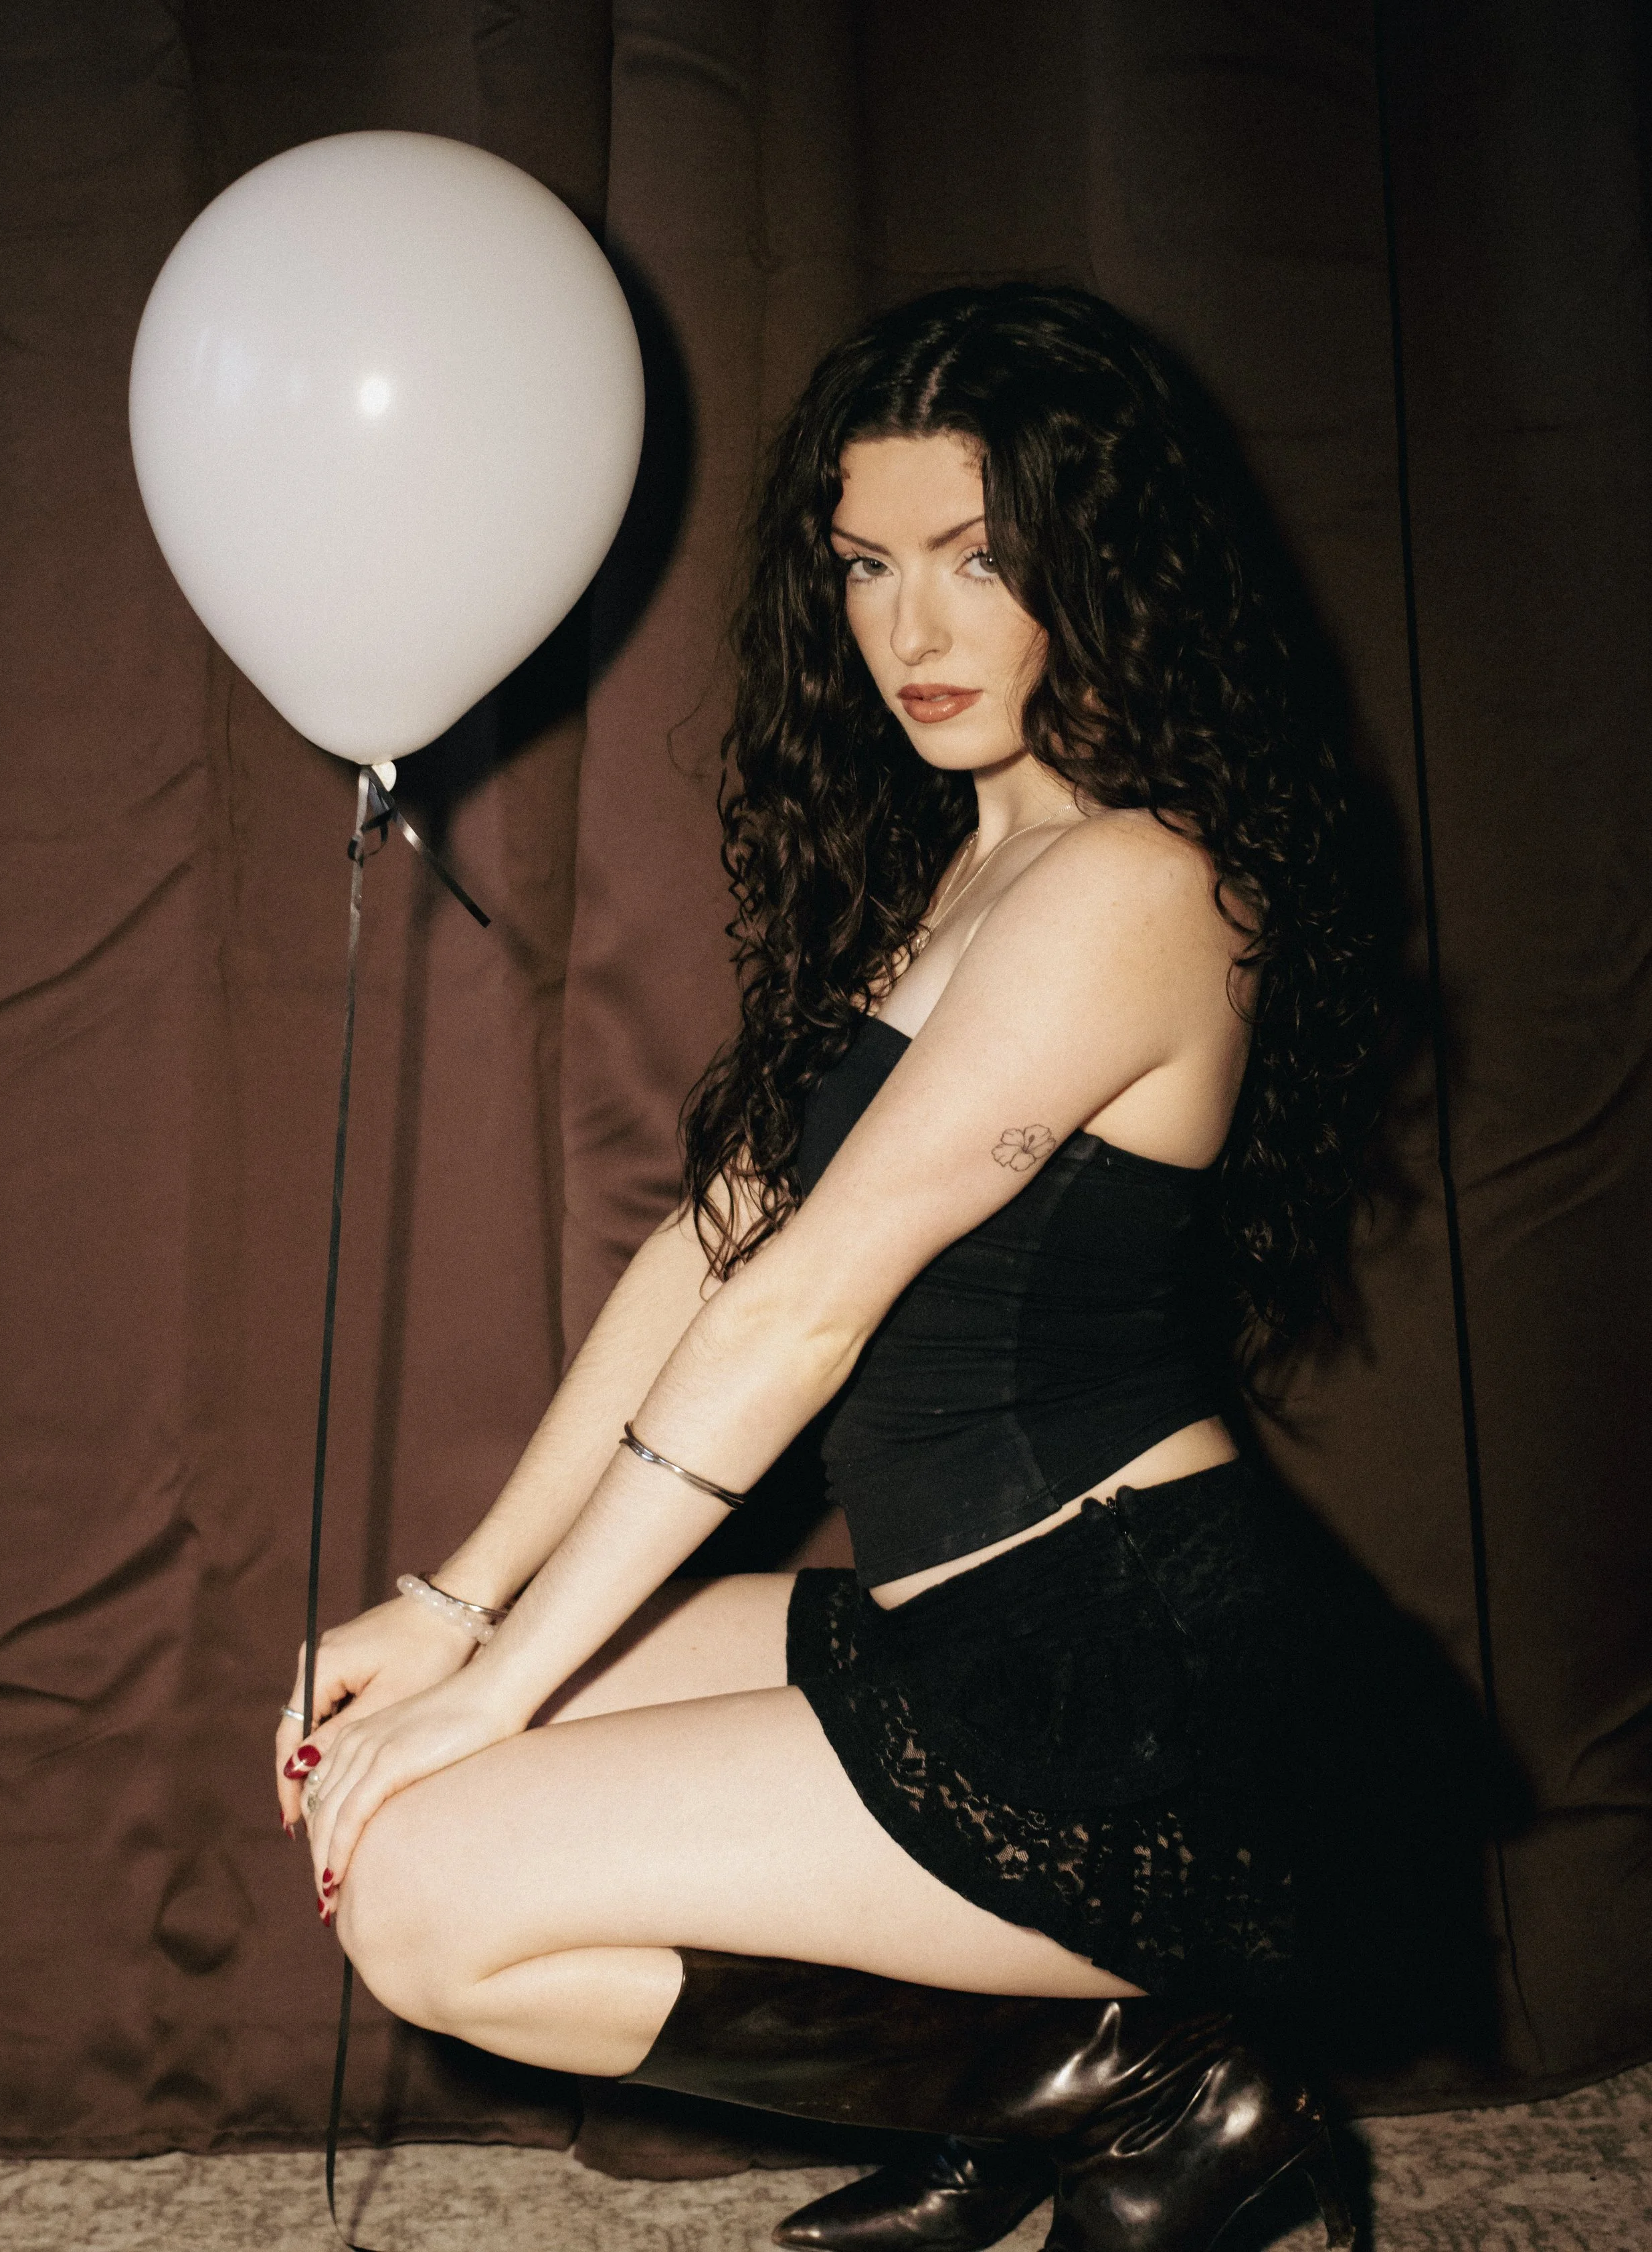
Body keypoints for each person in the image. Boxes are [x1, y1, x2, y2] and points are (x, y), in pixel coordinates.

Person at [276, 285, 1382, 2252]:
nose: (911, 630)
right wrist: (454, 1611)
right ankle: (1068, 2092)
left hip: (1133, 1692)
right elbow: (712, 1245)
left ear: (1101, 562)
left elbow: (804, 1305)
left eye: (977, 557)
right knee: (397, 1783)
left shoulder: (1135, 882)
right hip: (955, 1633)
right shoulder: (973, 859)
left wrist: (491, 1690)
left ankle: (1160, 2095)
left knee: (427, 1895)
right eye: (868, 565)